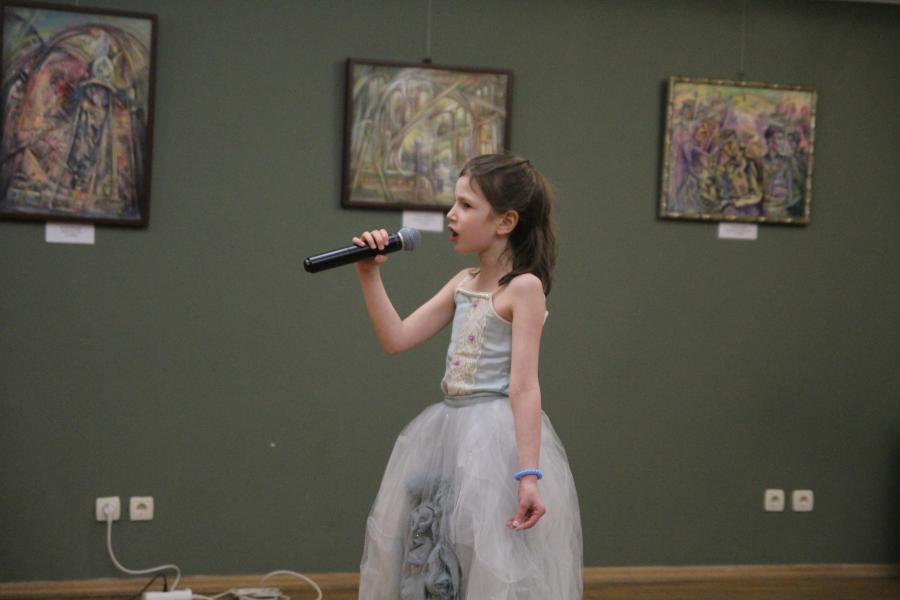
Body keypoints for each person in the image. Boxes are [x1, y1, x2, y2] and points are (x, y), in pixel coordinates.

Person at [353, 153, 583, 599]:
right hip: (447, 435)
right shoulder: (463, 282)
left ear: (505, 221)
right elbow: (396, 338)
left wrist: (528, 474)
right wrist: (369, 274)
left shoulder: (524, 288)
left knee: (488, 563)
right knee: (437, 560)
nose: (451, 215)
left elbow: (524, 386)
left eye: (466, 205)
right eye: (453, 203)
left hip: (494, 445)